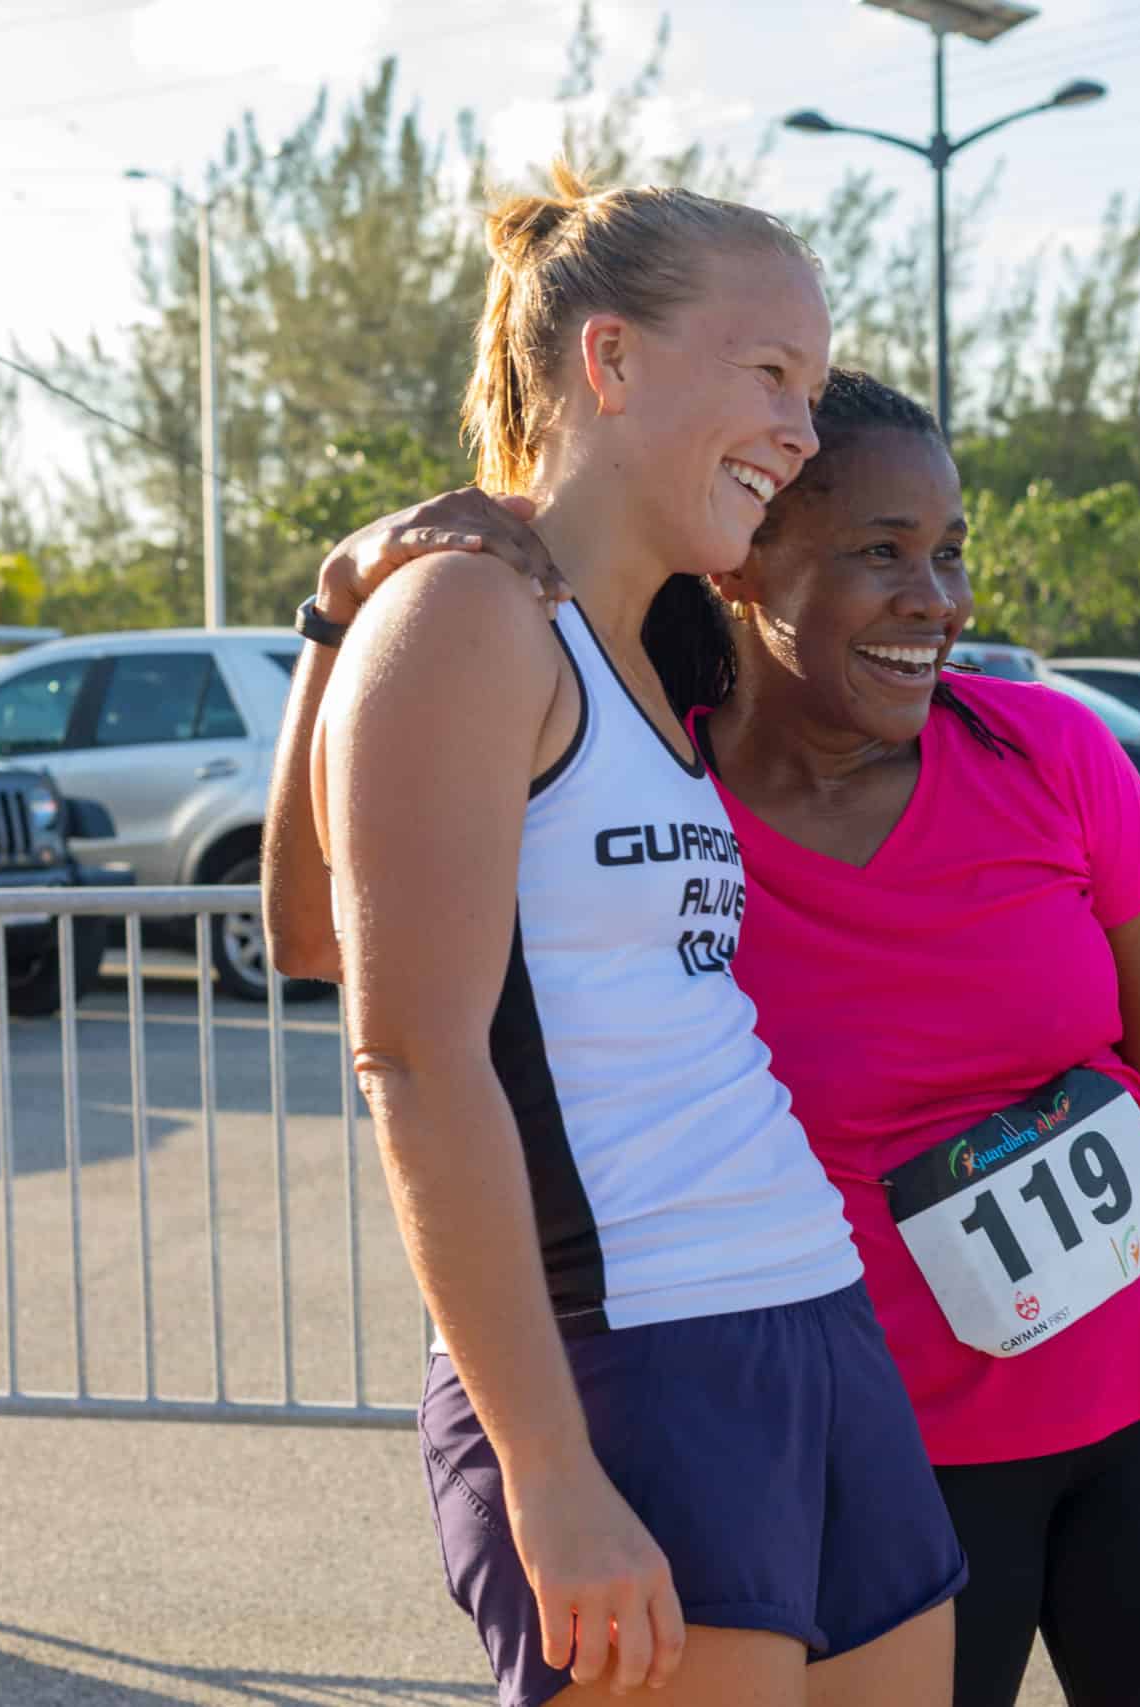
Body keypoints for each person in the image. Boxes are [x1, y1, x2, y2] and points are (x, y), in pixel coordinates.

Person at [271, 368, 1140, 1707]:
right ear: (741, 563)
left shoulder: (1049, 752)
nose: (937, 599)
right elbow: (317, 937)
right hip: (888, 1455)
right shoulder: (652, 804)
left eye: (950, 553)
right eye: (881, 552)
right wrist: (338, 619)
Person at [288, 170, 966, 1707]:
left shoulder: (653, 643)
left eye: (812, 384)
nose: (801, 429)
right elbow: (403, 1045)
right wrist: (547, 1471)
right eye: (771, 372)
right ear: (610, 359)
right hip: (625, 1349)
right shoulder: (469, 614)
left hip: (804, 1303)